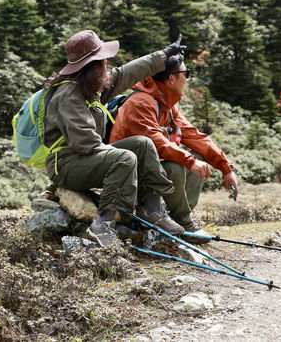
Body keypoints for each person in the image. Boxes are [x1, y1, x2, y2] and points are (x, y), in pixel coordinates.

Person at [43, 30, 186, 246]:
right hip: (66, 165)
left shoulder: (90, 86)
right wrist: (122, 164)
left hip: (85, 159)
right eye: (104, 61)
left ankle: (153, 209)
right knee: (125, 158)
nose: (107, 64)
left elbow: (127, 73)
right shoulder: (68, 96)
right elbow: (86, 144)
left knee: (143, 144)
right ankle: (103, 224)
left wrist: (163, 56)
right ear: (93, 65)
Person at [108, 52, 239, 234]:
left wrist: (227, 169)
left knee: (198, 157)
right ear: (171, 78)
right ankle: (182, 221)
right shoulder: (140, 102)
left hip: (148, 174)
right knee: (178, 166)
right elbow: (156, 140)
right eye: (186, 73)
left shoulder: (166, 106)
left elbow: (195, 136)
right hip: (128, 180)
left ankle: (177, 217)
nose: (187, 79)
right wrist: (189, 161)